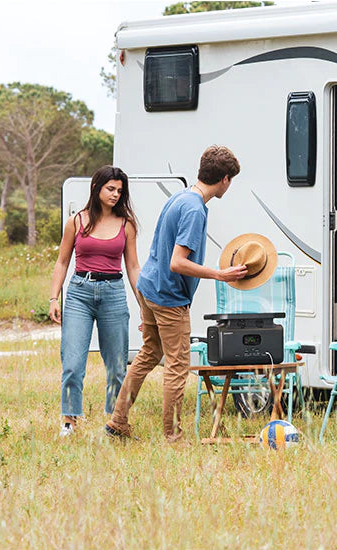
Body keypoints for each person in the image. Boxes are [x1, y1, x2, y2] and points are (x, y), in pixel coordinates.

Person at [105, 145, 247, 442]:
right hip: (168, 297)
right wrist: (219, 274)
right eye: (230, 180)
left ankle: (118, 421)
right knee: (177, 367)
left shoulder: (180, 197)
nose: (229, 185)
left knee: (148, 354)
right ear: (224, 179)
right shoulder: (194, 209)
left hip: (149, 286)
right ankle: (173, 438)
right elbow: (178, 262)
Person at [49, 165, 139, 437]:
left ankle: (115, 422)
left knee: (116, 365)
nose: (115, 194)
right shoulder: (76, 221)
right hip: (79, 292)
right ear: (97, 188)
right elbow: (62, 261)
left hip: (113, 292)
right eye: (110, 189)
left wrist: (145, 307)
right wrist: (54, 297)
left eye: (119, 191)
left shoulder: (126, 225)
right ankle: (69, 420)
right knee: (73, 363)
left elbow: (133, 267)